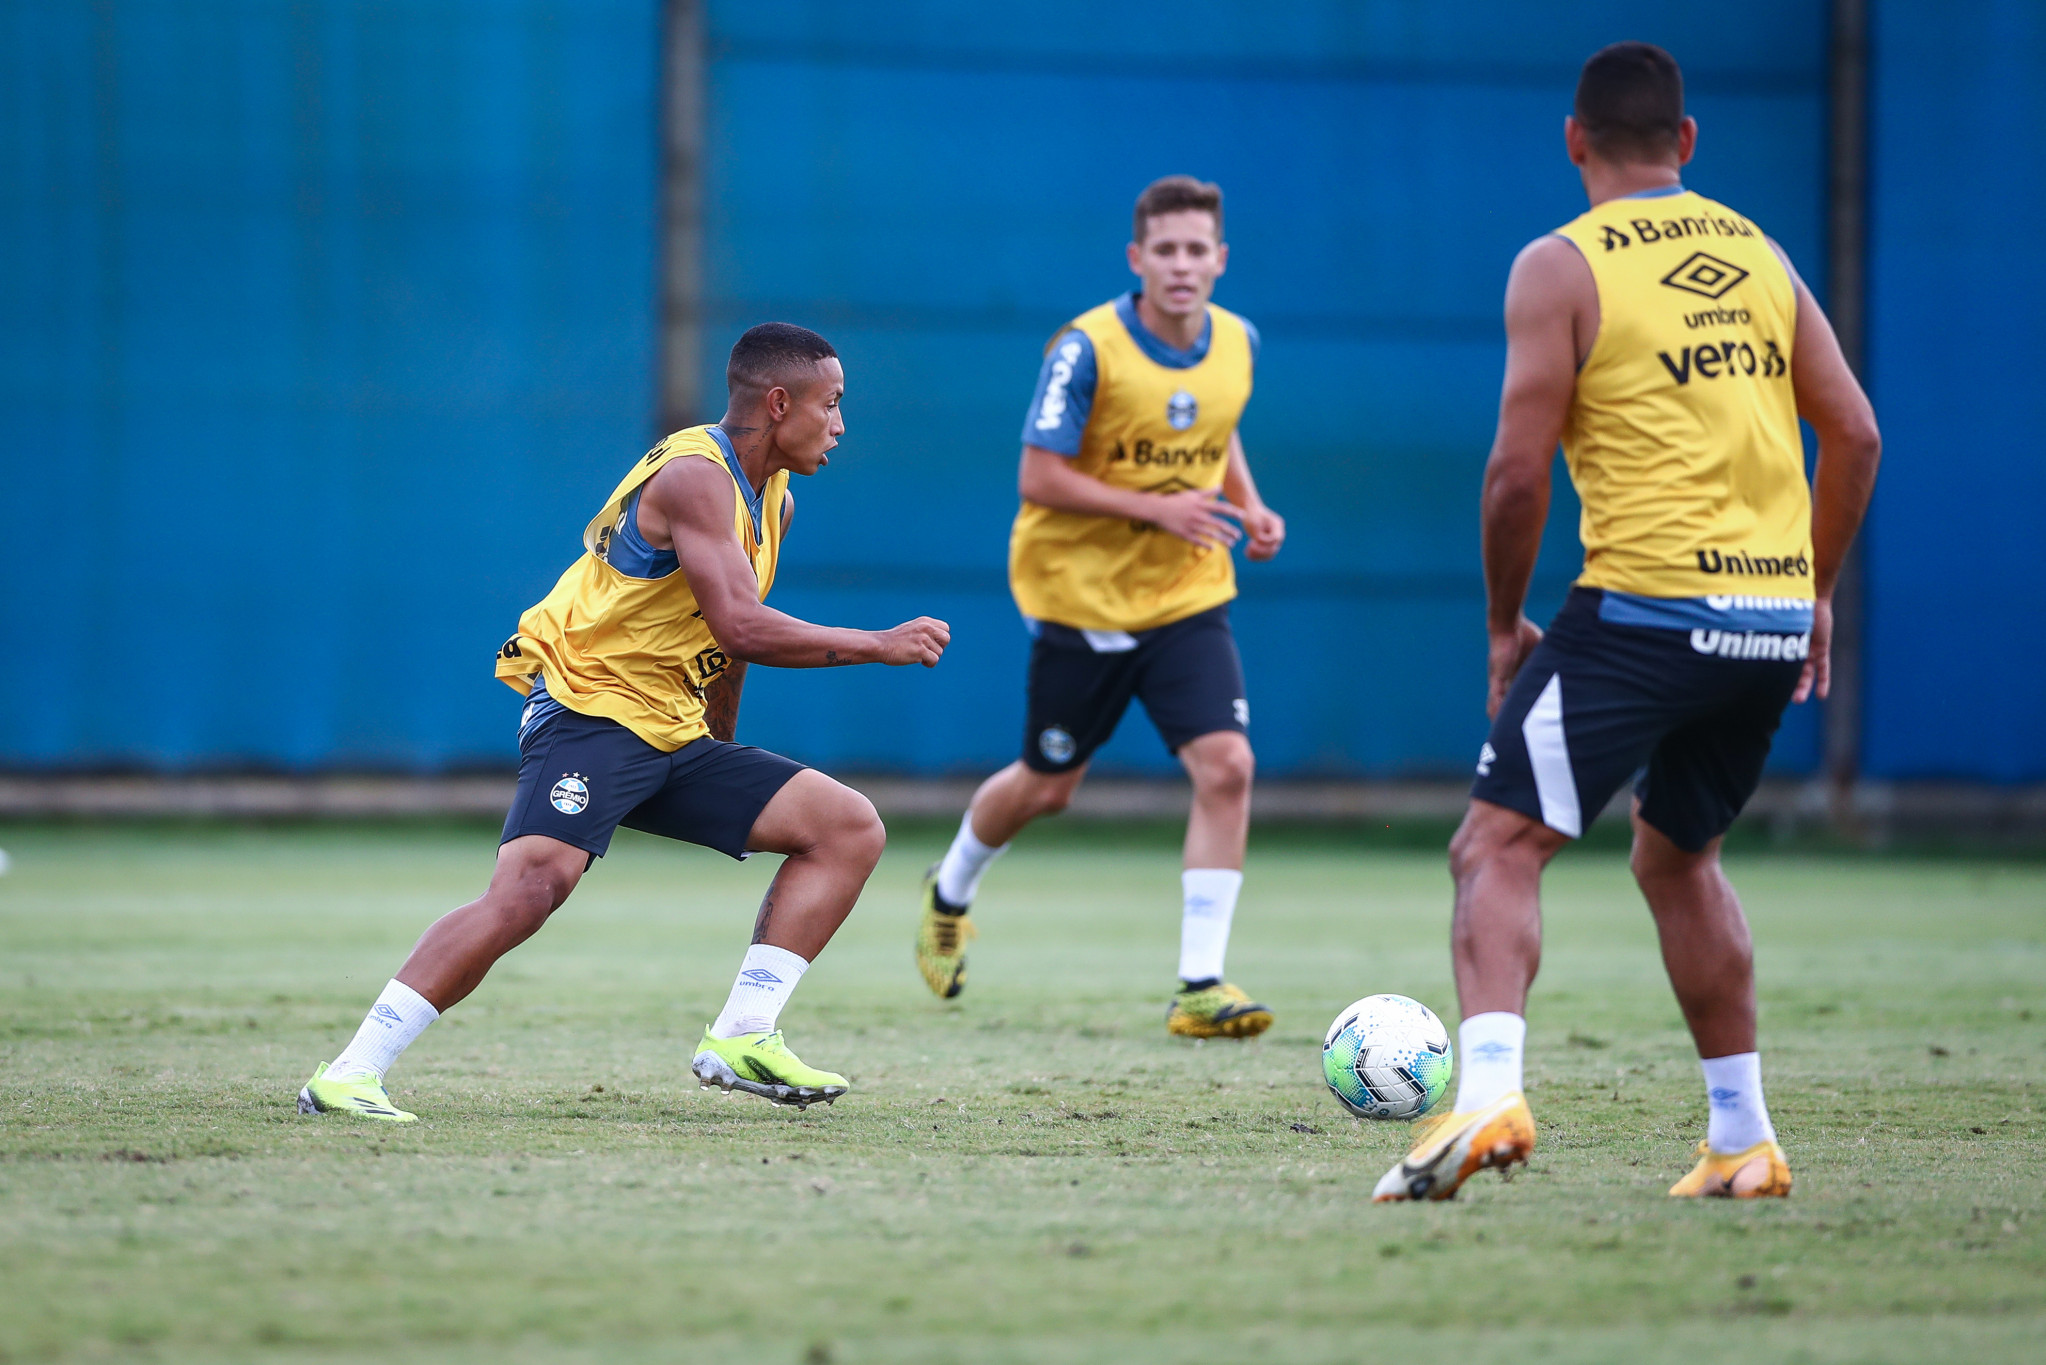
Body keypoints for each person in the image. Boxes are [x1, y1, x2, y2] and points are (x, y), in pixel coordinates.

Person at [1373, 43, 1880, 1202]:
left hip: (1647, 610)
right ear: (1687, 142)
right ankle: (1743, 1139)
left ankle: (1488, 1095)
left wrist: (1504, 623)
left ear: (1574, 141)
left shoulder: (1561, 265)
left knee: (1496, 846)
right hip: (1764, 619)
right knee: (1678, 857)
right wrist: (1814, 591)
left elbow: (1516, 475)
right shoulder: (1759, 254)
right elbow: (1855, 433)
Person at [297, 323, 951, 1121]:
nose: (841, 424)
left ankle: (743, 1034)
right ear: (780, 404)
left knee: (847, 827)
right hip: (591, 711)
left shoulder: (774, 498)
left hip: (670, 728)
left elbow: (723, 636)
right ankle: (351, 1072)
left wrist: (718, 744)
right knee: (531, 889)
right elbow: (743, 624)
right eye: (833, 403)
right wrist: (878, 644)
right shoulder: (695, 477)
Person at [911, 176, 1288, 1039]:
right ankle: (950, 889)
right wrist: (1161, 507)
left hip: (1187, 592)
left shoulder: (1240, 341)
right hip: (1080, 598)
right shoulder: (1086, 349)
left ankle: (1200, 986)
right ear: (1136, 258)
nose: (1182, 265)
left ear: (1221, 260)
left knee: (1228, 765)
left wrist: (1250, 503)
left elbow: (1216, 427)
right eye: (1167, 250)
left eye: (1197, 250)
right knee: (1048, 787)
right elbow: (1037, 475)